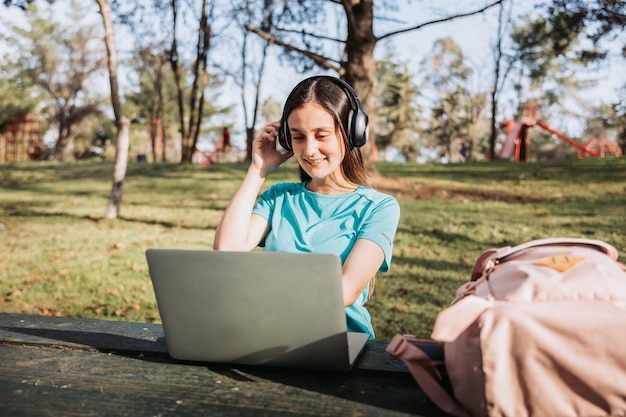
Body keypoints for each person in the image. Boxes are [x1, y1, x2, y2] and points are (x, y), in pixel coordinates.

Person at [213, 76, 400, 340]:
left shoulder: (379, 208)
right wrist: (258, 169)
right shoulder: (279, 198)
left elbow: (344, 291)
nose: (309, 150)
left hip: (338, 340)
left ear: (351, 132)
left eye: (321, 135)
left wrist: (259, 289)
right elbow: (227, 248)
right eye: (298, 137)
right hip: (271, 335)